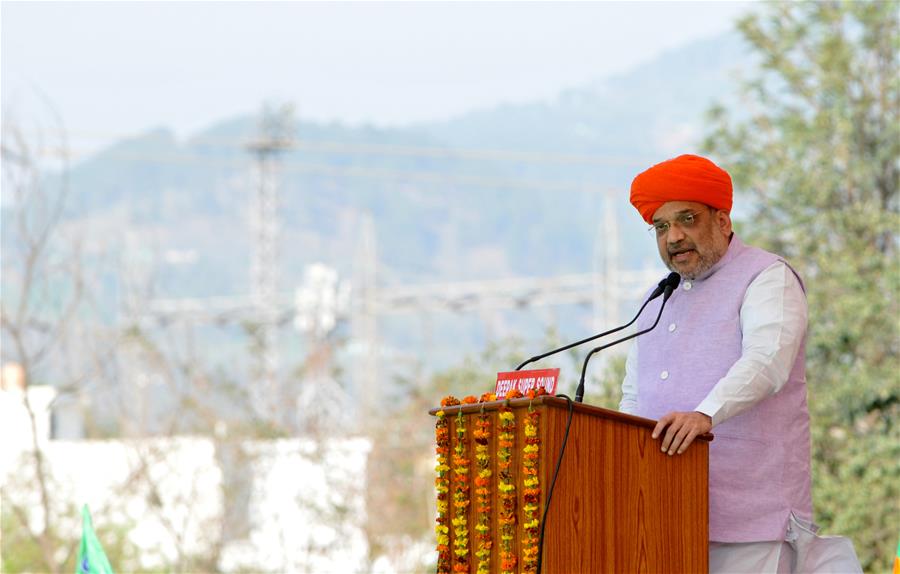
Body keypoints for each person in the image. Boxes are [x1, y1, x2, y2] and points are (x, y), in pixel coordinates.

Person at [619, 154, 861, 573]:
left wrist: (704, 414)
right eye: (660, 227)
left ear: (723, 221)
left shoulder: (766, 276)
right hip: (661, 516)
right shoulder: (657, 299)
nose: (673, 236)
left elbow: (768, 360)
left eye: (687, 219)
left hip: (750, 519)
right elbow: (633, 396)